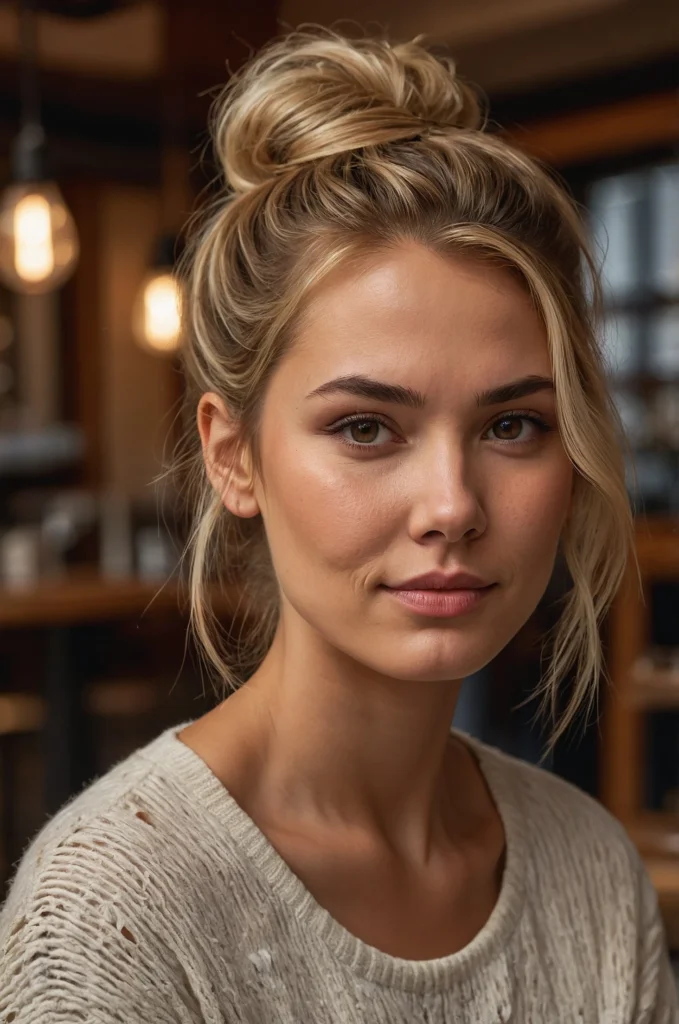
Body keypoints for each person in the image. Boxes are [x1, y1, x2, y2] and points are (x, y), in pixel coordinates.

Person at [1, 25, 676, 1023]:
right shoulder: (116, 912)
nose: (451, 503)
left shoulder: (591, 875)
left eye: (512, 424)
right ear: (234, 454)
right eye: (366, 427)